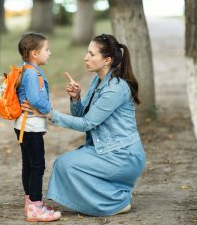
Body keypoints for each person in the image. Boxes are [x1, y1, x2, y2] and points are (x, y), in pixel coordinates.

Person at [22, 33, 146, 216]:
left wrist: (49, 114)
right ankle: (114, 194)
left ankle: (116, 202)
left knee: (67, 165)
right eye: (87, 52)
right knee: (65, 164)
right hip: (104, 149)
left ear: (107, 60)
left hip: (122, 156)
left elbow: (87, 123)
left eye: (92, 54)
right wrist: (76, 98)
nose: (86, 57)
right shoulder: (99, 80)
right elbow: (82, 114)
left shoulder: (116, 88)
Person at [14, 32, 61, 222]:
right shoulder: (32, 74)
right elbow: (34, 99)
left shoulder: (26, 70)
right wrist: (49, 108)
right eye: (46, 49)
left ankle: (30, 202)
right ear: (34, 53)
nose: (49, 53)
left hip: (23, 125)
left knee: (29, 165)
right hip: (30, 126)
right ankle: (35, 207)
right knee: (37, 166)